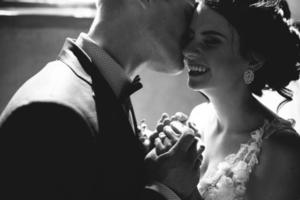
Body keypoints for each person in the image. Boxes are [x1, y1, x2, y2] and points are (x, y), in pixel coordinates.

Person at [0, 0, 204, 200]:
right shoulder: (51, 113)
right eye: (190, 7)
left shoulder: (104, 89)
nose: (194, 25)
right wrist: (164, 190)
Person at [152, 0, 300, 199]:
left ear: (254, 59)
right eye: (190, 36)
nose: (188, 51)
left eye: (211, 41)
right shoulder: (199, 117)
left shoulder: (282, 150)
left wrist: (185, 191)